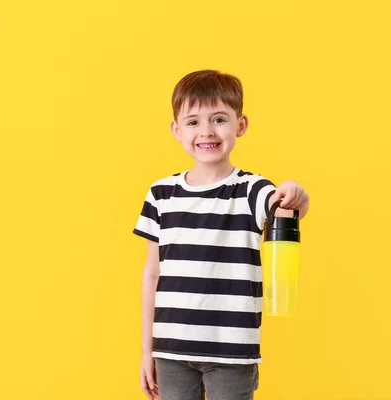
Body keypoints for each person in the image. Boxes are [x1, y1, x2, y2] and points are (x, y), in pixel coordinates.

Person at [133, 69, 310, 400]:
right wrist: (147, 350)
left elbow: (283, 207)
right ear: (176, 129)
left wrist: (295, 195)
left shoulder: (251, 190)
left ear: (240, 125)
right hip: (171, 349)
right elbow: (152, 273)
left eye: (219, 119)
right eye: (193, 122)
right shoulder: (161, 194)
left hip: (232, 352)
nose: (207, 131)